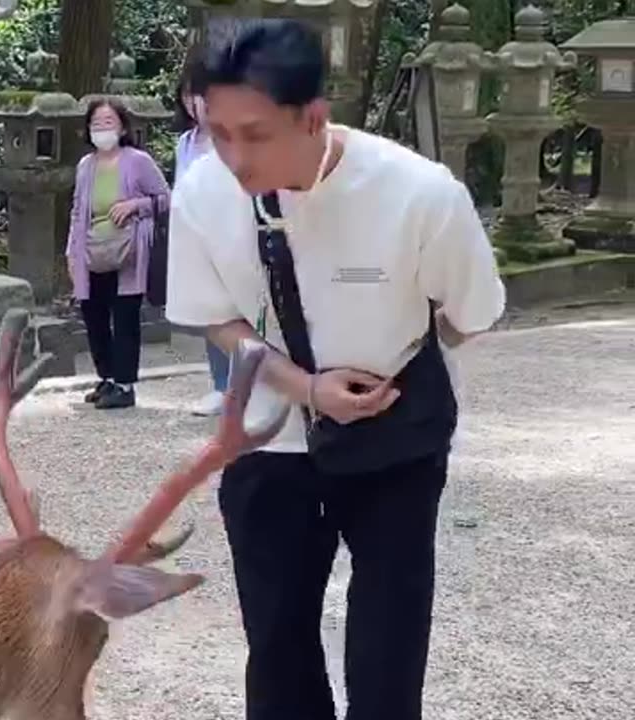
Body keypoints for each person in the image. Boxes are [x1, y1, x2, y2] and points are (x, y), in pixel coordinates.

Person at [165, 18, 505, 720]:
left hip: (394, 447)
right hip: (266, 444)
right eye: (217, 131)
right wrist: (306, 388)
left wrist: (398, 363)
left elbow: (470, 315)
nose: (232, 154)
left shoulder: (421, 194)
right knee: (279, 650)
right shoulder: (203, 191)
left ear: (313, 117)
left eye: (254, 133)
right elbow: (217, 318)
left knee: (388, 650)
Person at [67, 98, 171, 410]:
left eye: (108, 122)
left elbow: (166, 198)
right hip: (92, 252)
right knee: (94, 315)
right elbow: (76, 212)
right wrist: (72, 251)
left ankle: (125, 384)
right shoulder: (86, 166)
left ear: (122, 126)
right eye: (96, 123)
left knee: (124, 316)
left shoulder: (137, 161)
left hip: (128, 252)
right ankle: (107, 377)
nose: (102, 128)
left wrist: (134, 206)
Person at [171, 53, 232, 417]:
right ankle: (221, 385)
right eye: (189, 96)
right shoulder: (186, 143)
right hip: (198, 240)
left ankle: (252, 386)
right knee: (212, 315)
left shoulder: (236, 140)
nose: (196, 104)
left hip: (233, 238)